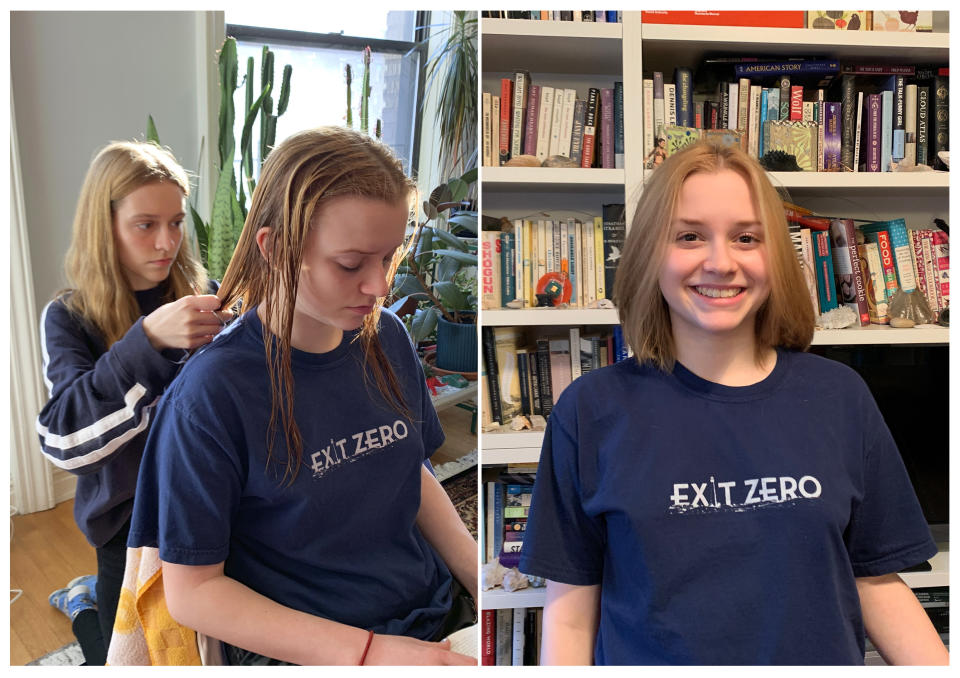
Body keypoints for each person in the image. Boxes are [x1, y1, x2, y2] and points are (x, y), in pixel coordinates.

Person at [518, 140, 949, 666]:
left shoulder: (840, 397)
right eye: (689, 236)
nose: (720, 262)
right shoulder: (590, 411)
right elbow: (569, 613)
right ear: (651, 252)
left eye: (746, 237)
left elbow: (876, 580)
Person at [127, 127, 478, 665]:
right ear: (274, 246)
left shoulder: (387, 337)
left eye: (388, 258)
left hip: (429, 613)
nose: (379, 287)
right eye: (350, 264)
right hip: (308, 649)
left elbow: (412, 470)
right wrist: (367, 653)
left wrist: (480, 575)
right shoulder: (210, 397)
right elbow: (194, 592)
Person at [37, 141, 224, 665]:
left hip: (208, 505)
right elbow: (63, 441)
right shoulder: (68, 318)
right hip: (128, 525)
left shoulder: (202, 293)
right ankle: (82, 606)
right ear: (106, 226)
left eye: (176, 222)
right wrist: (148, 343)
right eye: (145, 224)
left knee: (207, 647)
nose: (166, 242)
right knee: (126, 657)